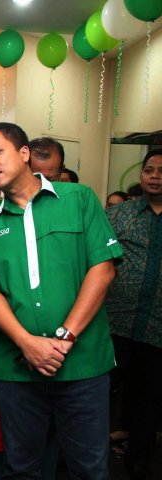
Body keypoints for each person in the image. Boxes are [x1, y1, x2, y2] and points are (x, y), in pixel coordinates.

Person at [0, 122, 123, 479]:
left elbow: (103, 269)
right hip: (17, 370)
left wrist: (65, 338)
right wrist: (27, 344)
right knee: (21, 468)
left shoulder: (78, 198)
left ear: (24, 153)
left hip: (83, 364)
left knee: (89, 468)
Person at [105, 149, 162, 480]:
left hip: (158, 327)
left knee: (149, 398)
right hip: (116, 322)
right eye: (149, 169)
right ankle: (84, 454)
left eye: (161, 171)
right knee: (100, 392)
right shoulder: (119, 215)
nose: (155, 176)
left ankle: (138, 460)